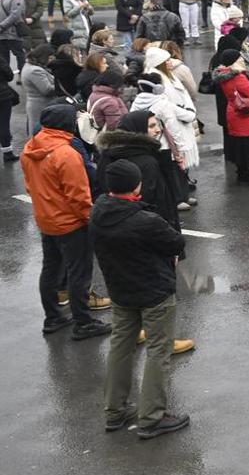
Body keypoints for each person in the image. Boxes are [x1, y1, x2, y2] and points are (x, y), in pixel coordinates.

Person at [94, 158, 189, 439]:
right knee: (159, 350)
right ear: (136, 184)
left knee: (120, 347)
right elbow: (176, 242)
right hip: (154, 291)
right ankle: (151, 417)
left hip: (121, 290)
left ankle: (114, 410)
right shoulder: (145, 220)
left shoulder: (99, 212)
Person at [24, 103, 111, 338]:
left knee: (51, 269)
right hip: (71, 223)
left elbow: (30, 186)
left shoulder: (31, 147)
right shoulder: (67, 154)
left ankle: (52, 317)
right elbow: (78, 196)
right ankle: (83, 322)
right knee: (79, 272)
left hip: (45, 220)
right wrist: (90, 220)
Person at [213, 49, 249, 184]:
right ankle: (245, 176)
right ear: (234, 62)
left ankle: (242, 173)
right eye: (239, 59)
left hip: (233, 111)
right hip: (246, 115)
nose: (242, 60)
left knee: (239, 146)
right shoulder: (238, 77)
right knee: (247, 147)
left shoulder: (223, 75)